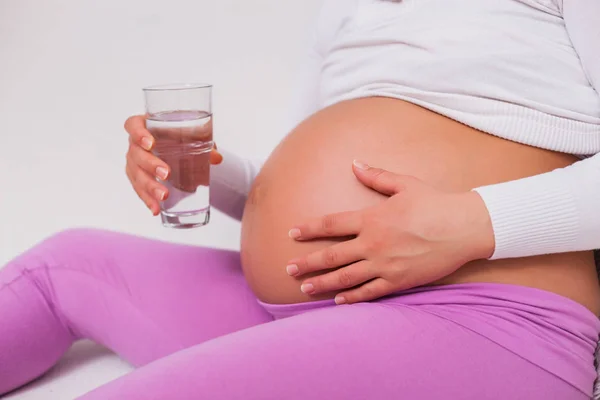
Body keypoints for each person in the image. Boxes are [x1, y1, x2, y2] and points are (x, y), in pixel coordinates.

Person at [1, 0, 599, 398]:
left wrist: (471, 223)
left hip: (482, 313)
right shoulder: (348, 10)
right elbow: (292, 177)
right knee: (64, 267)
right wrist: (207, 172)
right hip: (314, 294)